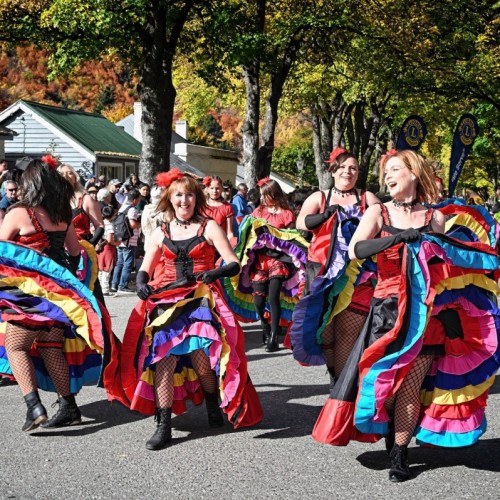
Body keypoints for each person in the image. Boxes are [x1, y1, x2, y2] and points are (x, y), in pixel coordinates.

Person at [105, 169, 263, 450]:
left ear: (196, 198)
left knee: (202, 361)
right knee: (162, 358)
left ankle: (212, 402)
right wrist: (141, 283)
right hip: (166, 301)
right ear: (170, 199)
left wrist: (215, 273)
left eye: (189, 194)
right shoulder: (160, 232)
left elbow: (232, 263)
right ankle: (163, 424)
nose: (184, 200)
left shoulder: (209, 227)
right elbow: (145, 268)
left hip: (201, 300)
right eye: (179, 195)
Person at [318, 149, 448, 481]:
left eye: (394, 169)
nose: (387, 176)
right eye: (385, 172)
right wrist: (395, 240)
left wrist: (450, 310)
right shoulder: (378, 211)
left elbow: (444, 269)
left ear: (413, 174)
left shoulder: (435, 218)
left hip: (426, 313)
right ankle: (390, 431)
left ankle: (400, 453)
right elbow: (355, 249)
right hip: (386, 310)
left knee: (410, 386)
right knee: (385, 385)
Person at [0, 156, 85, 431]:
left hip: (28, 295)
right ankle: (69, 407)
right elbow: (75, 251)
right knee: (51, 347)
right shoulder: (62, 214)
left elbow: (2, 250)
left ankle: (34, 406)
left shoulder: (18, 213)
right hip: (58, 294)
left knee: (16, 346)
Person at [291, 148, 379, 386]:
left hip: (358, 275)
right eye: (342, 167)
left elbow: (384, 223)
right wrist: (324, 216)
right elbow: (301, 223)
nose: (348, 172)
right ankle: (335, 377)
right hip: (323, 274)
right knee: (326, 332)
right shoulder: (320, 197)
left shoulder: (368, 198)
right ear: (332, 171)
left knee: (347, 333)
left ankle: (342, 387)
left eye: (353, 168)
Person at [248, 178, 297, 352]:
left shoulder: (287, 214)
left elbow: (293, 238)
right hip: (260, 260)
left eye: (265, 195)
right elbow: (249, 233)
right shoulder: (258, 212)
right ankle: (265, 327)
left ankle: (274, 337)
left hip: (279, 260)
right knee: (258, 301)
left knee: (273, 297)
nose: (262, 198)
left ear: (274, 194)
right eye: (261, 195)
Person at [58, 164, 105, 247]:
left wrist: (90, 244)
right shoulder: (54, 201)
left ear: (75, 178)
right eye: (62, 174)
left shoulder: (86, 199)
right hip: (59, 249)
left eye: (69, 173)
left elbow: (100, 226)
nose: (66, 176)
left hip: (81, 248)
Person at [110, 189, 141, 293]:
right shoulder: (132, 209)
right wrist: (141, 224)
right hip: (129, 240)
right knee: (127, 264)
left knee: (119, 263)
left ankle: (114, 285)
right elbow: (132, 224)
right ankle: (122, 286)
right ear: (135, 199)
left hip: (120, 240)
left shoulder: (122, 208)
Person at [96, 205, 121, 296]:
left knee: (100, 269)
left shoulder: (100, 223)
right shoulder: (110, 225)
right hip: (108, 249)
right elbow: (110, 239)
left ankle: (99, 289)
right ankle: (105, 290)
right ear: (113, 215)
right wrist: (117, 243)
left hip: (100, 248)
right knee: (107, 269)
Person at [202, 175, 235, 241]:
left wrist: (231, 244)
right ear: (207, 189)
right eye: (212, 188)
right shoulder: (202, 206)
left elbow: (229, 233)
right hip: (203, 242)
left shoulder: (227, 207)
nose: (214, 191)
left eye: (217, 188)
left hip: (220, 243)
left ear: (221, 189)